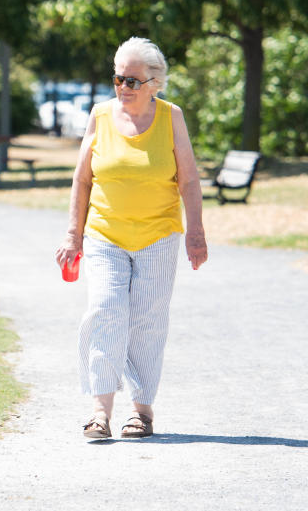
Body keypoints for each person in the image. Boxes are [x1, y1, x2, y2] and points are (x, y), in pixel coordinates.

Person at [56, 37, 209, 440]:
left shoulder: (171, 118)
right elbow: (82, 178)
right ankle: (100, 411)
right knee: (105, 309)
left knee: (147, 320)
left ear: (155, 82)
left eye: (132, 81)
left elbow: (189, 179)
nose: (123, 87)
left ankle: (141, 411)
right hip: (105, 234)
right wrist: (73, 235)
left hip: (158, 235)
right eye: (118, 78)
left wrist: (196, 232)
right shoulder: (100, 116)